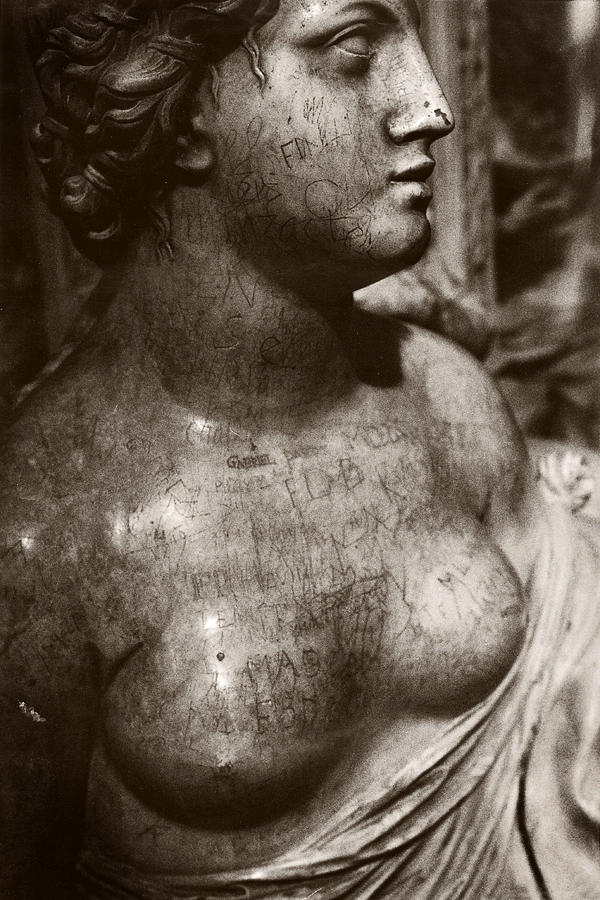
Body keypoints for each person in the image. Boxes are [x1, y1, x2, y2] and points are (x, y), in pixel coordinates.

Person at [1, 1, 599, 898]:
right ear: (183, 104)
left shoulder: (445, 398)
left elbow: (570, 694)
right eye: (353, 51)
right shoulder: (48, 540)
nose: (430, 106)